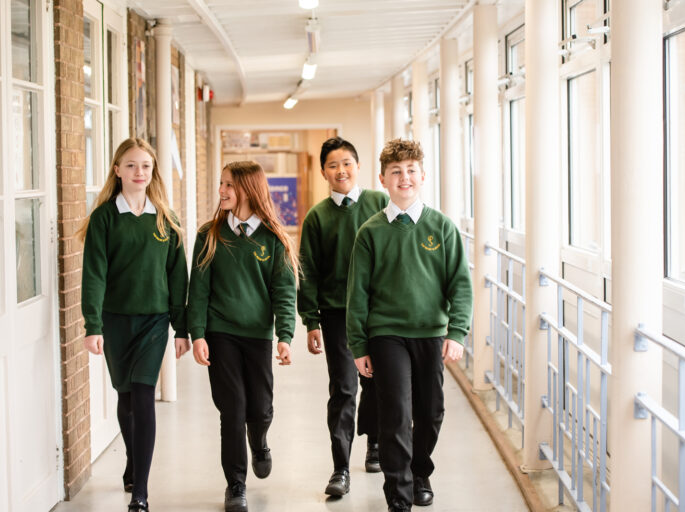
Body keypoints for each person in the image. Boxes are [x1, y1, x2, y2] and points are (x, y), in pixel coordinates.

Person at [346, 138, 473, 512]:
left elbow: (460, 285)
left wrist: (457, 332)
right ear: (383, 179)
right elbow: (358, 294)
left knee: (431, 412)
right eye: (396, 172)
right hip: (386, 336)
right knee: (396, 415)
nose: (405, 178)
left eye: (411, 170)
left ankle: (420, 472)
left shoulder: (442, 228)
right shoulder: (370, 232)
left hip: (431, 334)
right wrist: (359, 346)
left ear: (423, 175)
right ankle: (399, 497)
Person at [80, 138, 189, 512]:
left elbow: (178, 276)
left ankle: (140, 491)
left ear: (152, 171)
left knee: (143, 396)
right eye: (130, 165)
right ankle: (132, 458)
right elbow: (94, 273)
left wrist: (182, 327)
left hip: (154, 322)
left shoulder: (166, 218)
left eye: (144, 166)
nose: (138, 172)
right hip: (114, 322)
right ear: (117, 170)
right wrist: (92, 324)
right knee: (125, 398)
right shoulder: (104, 218)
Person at [188, 161, 297, 512]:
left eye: (229, 186)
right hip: (221, 334)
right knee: (231, 410)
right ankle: (236, 484)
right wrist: (198, 334)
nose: (221, 191)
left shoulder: (273, 238)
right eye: (221, 184)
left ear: (249, 190)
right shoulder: (209, 235)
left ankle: (260, 442)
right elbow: (199, 290)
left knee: (260, 409)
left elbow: (283, 290)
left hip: (258, 336)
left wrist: (285, 336)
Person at [298, 137, 388, 497]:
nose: (341, 170)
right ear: (323, 172)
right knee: (344, 388)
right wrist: (310, 321)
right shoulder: (317, 217)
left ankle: (375, 443)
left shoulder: (380, 203)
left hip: (378, 312)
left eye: (347, 163)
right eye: (333, 165)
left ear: (359, 166)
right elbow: (308, 271)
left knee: (378, 384)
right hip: (336, 313)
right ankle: (340, 466)